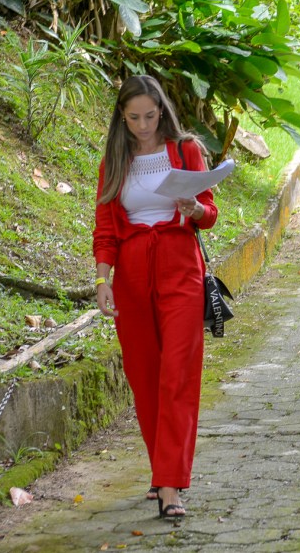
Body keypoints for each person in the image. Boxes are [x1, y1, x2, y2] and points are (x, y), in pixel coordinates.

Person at [93, 75, 218, 519]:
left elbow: (209, 213)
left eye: (150, 116)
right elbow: (106, 228)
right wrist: (103, 279)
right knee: (144, 374)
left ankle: (170, 485)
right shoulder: (116, 158)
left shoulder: (185, 150)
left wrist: (195, 209)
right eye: (133, 118)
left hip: (179, 264)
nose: (143, 126)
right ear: (121, 118)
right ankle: (159, 469)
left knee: (178, 372)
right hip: (131, 271)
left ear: (161, 111)